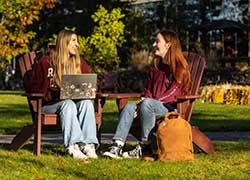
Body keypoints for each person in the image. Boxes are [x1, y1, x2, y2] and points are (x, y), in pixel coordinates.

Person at [103, 29, 191, 159]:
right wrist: (142, 102)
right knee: (129, 106)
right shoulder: (155, 68)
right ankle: (117, 145)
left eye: (157, 41)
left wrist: (147, 102)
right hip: (150, 106)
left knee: (147, 103)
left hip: (170, 108)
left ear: (168, 45)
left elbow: (174, 93)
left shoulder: (179, 68)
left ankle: (145, 146)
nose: (154, 44)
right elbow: (148, 91)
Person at [29, 30, 99, 160]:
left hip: (74, 103)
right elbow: (33, 87)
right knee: (68, 104)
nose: (77, 44)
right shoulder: (46, 62)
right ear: (64, 42)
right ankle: (73, 145)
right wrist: (52, 92)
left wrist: (90, 89)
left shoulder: (80, 63)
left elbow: (90, 83)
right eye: (74, 41)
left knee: (86, 103)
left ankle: (88, 145)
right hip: (48, 106)